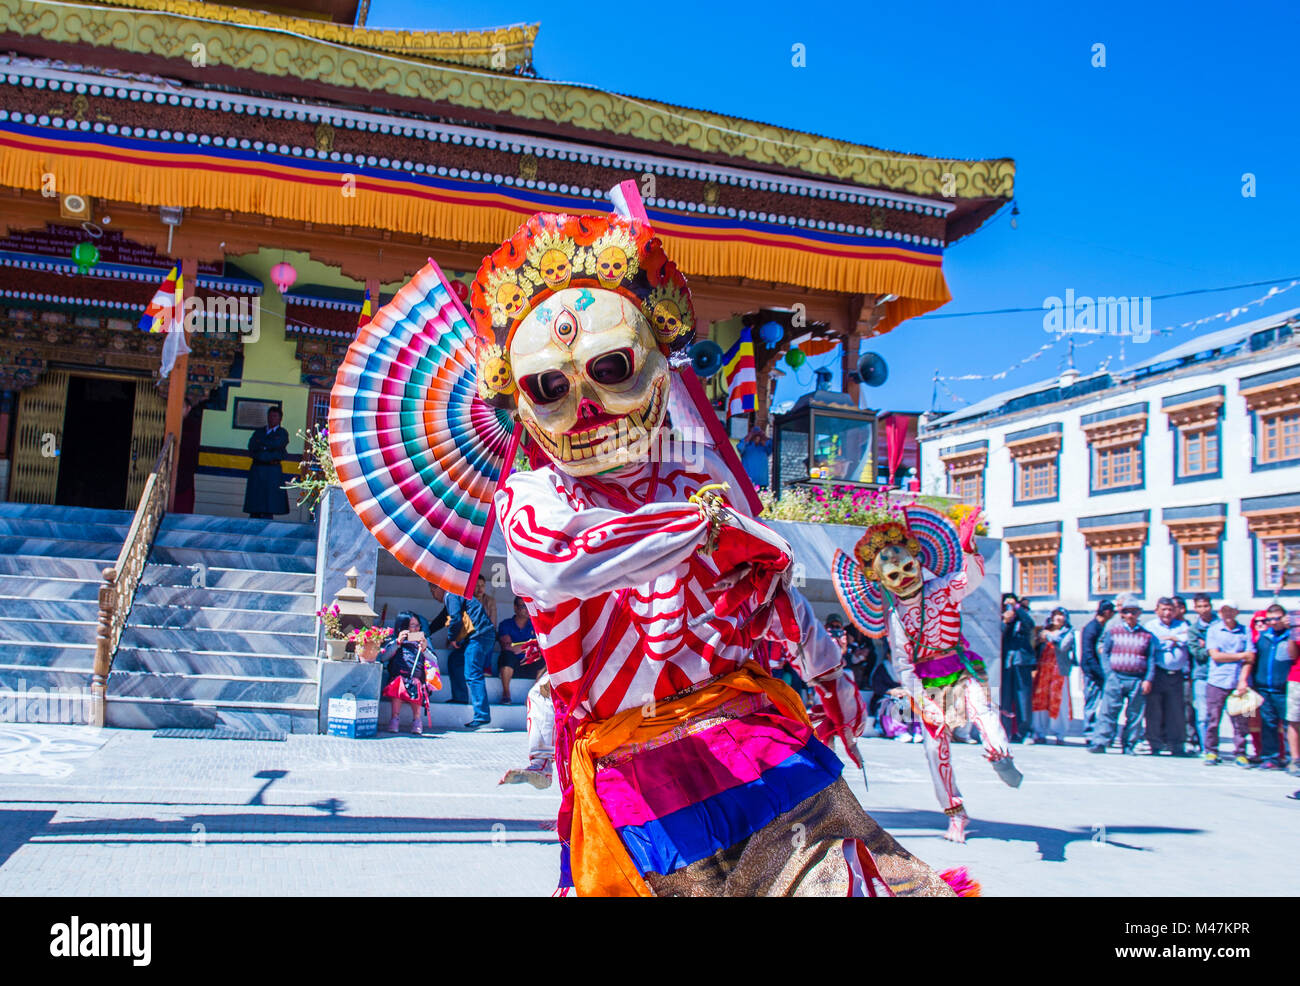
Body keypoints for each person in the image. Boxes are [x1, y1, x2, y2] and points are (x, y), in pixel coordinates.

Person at [832, 504, 1020, 844]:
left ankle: (1000, 753)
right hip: (928, 685)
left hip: (961, 671)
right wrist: (924, 702)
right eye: (894, 575)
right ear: (881, 580)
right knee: (936, 752)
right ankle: (956, 815)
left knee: (986, 717)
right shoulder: (895, 619)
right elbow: (904, 667)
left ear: (918, 561)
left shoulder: (944, 589)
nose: (904, 577)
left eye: (907, 567)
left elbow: (971, 578)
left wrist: (969, 549)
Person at [1089, 596, 1157, 755]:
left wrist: (1148, 679)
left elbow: (1151, 658)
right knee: (1108, 711)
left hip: (1136, 678)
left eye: (1134, 612)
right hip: (1116, 676)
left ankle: (1130, 744)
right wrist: (1109, 674)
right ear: (1122, 614)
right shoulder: (1113, 632)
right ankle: (1101, 741)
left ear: (1139, 613)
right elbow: (1104, 653)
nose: (1130, 615)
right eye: (1127, 612)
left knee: (1135, 714)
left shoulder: (1147, 635)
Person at [431, 582, 496, 729]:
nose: (433, 596)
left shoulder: (452, 594)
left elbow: (455, 618)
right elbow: (441, 620)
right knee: (455, 660)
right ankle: (460, 697)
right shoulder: (455, 596)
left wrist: (452, 637)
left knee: (473, 674)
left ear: (438, 587)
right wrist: (424, 633)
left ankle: (482, 715)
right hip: (480, 636)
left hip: (479, 636)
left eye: (432, 591)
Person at [1204, 601, 1255, 766]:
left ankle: (1241, 752)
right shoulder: (1213, 630)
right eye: (1224, 611)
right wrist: (1240, 656)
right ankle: (1211, 751)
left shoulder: (1245, 631)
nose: (1227, 614)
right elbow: (1216, 656)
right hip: (1217, 681)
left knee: (1242, 721)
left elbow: (1251, 658)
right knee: (1213, 719)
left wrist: (1243, 680)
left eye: (1230, 610)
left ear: (1236, 612)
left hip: (1238, 682)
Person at [1144, 597, 1190, 756]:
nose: (1167, 613)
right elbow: (1153, 645)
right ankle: (1155, 744)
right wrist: (1174, 640)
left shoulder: (1183, 625)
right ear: (1156, 610)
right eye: (1163, 609)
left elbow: (1187, 640)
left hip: (1177, 675)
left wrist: (1172, 639)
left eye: (1170, 609)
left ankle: (1177, 745)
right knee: (1154, 711)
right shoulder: (1150, 626)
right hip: (1158, 673)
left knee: (1176, 711)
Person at [1252, 604, 1294, 770]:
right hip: (1264, 689)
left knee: (1289, 725)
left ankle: (1292, 758)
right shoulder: (1263, 637)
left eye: (1277, 618)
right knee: (1267, 724)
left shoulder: (1290, 636)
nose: (1273, 622)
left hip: (1284, 689)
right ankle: (1270, 757)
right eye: (1269, 619)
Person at [379, 612, 435, 735]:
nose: (416, 629)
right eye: (412, 626)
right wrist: (397, 643)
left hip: (416, 676)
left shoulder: (424, 640)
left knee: (416, 687)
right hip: (399, 675)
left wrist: (424, 649)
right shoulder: (395, 639)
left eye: (418, 625)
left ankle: (417, 720)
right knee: (397, 687)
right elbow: (383, 657)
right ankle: (394, 718)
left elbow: (434, 660)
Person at [1032, 607, 1075, 745]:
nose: (1058, 617)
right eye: (1056, 614)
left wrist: (1049, 636)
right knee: (1040, 701)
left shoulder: (1069, 632)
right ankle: (1039, 731)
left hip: (1059, 671)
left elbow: (1063, 646)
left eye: (1061, 615)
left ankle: (1060, 733)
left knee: (1059, 702)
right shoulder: (1043, 631)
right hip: (1043, 670)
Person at [1000, 592, 1037, 742]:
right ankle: (1006, 731)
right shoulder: (1002, 619)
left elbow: (1030, 624)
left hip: (1021, 661)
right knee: (1005, 699)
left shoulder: (1023, 618)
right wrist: (1005, 620)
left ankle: (1025, 732)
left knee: (1023, 699)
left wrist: (1017, 608)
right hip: (1006, 663)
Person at [243, 405, 290, 518]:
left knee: (270, 500)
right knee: (255, 498)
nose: (271, 418)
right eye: (270, 416)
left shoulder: (282, 433)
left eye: (274, 416)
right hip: (257, 468)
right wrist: (267, 447)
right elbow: (252, 447)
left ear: (280, 419)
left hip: (272, 470)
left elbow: (278, 445)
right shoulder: (259, 432)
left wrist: (263, 446)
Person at [1079, 600, 1114, 742]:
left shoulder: (1101, 627)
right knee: (1092, 703)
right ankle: (1089, 732)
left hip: (1098, 670)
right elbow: (1088, 654)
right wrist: (1098, 672)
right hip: (1092, 672)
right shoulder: (1092, 628)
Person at [496, 596, 537, 705]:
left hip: (530, 665)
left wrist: (521, 647)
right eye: (524, 606)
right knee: (506, 656)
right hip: (513, 665)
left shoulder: (535, 625)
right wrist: (530, 645)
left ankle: (533, 695)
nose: (527, 609)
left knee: (546, 659)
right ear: (515, 607)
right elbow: (508, 647)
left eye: (529, 606)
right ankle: (506, 694)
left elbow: (541, 645)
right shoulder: (506, 624)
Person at [1186, 594, 1214, 752]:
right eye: (1200, 606)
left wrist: (1208, 646)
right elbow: (1198, 653)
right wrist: (1213, 648)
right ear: (1195, 608)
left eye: (1206, 606)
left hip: (1225, 675)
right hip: (1202, 675)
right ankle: (1207, 748)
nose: (1204, 610)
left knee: (1240, 714)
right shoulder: (1194, 629)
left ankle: (1240, 748)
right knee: (1203, 715)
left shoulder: (1220, 624)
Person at [174, 394, 204, 514]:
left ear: (188, 408)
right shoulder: (173, 424)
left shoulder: (192, 425)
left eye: (181, 407)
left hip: (184, 472)